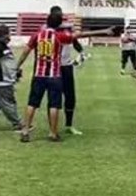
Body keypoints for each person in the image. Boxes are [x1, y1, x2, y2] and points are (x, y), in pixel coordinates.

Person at [16, 13, 118, 143]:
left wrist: (18, 66)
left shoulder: (37, 35)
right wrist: (103, 31)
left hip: (39, 74)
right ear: (59, 24)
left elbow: (25, 51)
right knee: (54, 104)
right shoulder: (59, 36)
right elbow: (79, 35)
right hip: (55, 75)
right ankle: (53, 133)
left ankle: (25, 131)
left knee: (32, 103)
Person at [52, 7, 84, 136]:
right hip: (53, 67)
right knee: (54, 97)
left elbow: (74, 41)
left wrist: (81, 53)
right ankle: (53, 127)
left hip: (66, 66)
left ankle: (69, 125)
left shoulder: (66, 29)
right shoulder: (48, 30)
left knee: (70, 96)